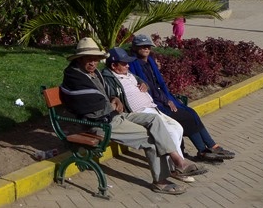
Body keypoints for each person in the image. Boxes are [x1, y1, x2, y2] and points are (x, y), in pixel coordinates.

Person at [61, 38, 206, 195]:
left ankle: (177, 160)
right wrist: (111, 104)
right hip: (101, 124)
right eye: (89, 58)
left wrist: (114, 99)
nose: (93, 62)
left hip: (114, 115)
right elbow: (90, 105)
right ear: (79, 59)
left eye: (96, 59)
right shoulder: (74, 77)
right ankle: (160, 181)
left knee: (154, 119)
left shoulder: (93, 73)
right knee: (150, 139)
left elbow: (104, 95)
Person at [128, 34, 236, 161]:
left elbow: (160, 84)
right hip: (155, 103)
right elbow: (149, 88)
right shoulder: (133, 64)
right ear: (135, 47)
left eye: (148, 46)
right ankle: (203, 150)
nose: (146, 48)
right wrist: (167, 101)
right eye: (142, 46)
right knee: (187, 117)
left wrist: (169, 99)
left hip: (163, 98)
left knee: (191, 112)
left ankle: (210, 146)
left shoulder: (150, 61)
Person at [101, 47, 193, 182]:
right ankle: (176, 168)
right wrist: (115, 98)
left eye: (128, 62)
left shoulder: (128, 74)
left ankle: (177, 165)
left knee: (177, 128)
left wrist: (144, 85)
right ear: (114, 65)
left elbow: (143, 82)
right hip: (138, 112)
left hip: (152, 108)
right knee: (170, 132)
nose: (128, 65)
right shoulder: (108, 77)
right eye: (124, 63)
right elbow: (108, 94)